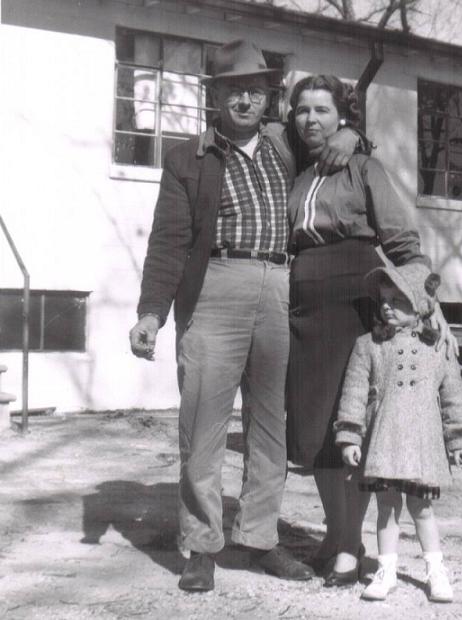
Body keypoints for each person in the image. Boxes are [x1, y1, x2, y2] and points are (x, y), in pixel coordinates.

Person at [128, 41, 360, 592]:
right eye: (234, 90)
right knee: (203, 425)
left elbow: (334, 133)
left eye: (254, 91)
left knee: (270, 424)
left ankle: (259, 539)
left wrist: (351, 133)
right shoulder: (188, 159)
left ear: (267, 98)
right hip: (215, 286)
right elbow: (168, 242)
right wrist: (151, 313)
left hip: (279, 286)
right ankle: (201, 545)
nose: (245, 100)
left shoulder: (286, 145)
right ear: (216, 96)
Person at [284, 74, 456, 587]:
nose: (311, 119)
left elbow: (403, 243)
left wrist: (429, 304)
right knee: (314, 428)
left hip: (352, 302)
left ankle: (347, 545)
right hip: (303, 306)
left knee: (349, 420)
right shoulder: (297, 172)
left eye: (322, 110)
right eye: (302, 110)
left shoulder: (364, 168)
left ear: (343, 116)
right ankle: (337, 535)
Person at [335, 263, 462, 603]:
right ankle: (387, 571)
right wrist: (350, 436)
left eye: (397, 300)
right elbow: (353, 393)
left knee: (422, 508)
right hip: (384, 442)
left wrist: (459, 440)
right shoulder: (368, 345)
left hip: (423, 443)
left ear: (420, 305)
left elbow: (453, 396)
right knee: (386, 507)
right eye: (383, 299)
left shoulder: (438, 348)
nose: (386, 306)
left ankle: (435, 570)